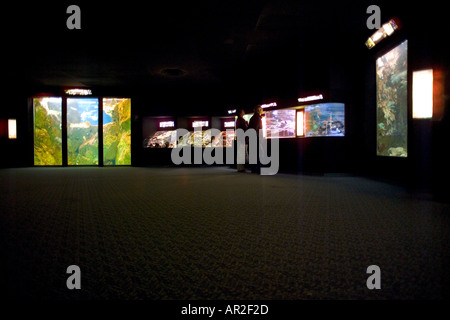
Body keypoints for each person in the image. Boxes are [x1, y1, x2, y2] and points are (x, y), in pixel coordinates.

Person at [248, 106, 263, 174]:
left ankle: (254, 169)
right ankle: (257, 169)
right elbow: (255, 128)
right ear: (259, 110)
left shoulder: (252, 118)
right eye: (261, 110)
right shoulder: (257, 118)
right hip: (255, 138)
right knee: (257, 153)